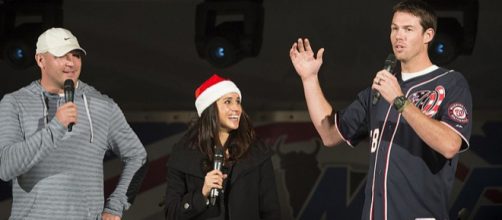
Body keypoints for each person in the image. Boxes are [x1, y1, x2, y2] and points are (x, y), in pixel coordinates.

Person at [289, 0, 472, 219]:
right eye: (394, 28)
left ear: (428, 35)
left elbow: (450, 145)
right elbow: (329, 134)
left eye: (408, 29)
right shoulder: (379, 90)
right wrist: (309, 79)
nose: (398, 36)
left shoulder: (450, 82)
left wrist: (400, 101)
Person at [0, 27, 148, 220]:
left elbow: (138, 156)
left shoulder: (103, 105)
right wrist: (56, 127)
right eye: (61, 55)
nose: (71, 62)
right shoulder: (15, 103)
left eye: (76, 55)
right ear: (40, 60)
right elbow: (6, 167)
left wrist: (115, 206)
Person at [164, 74, 280, 220]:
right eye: (228, 102)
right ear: (210, 108)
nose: (236, 108)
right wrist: (202, 193)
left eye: (238, 102)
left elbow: (271, 210)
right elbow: (172, 213)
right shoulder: (184, 153)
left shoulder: (256, 152)